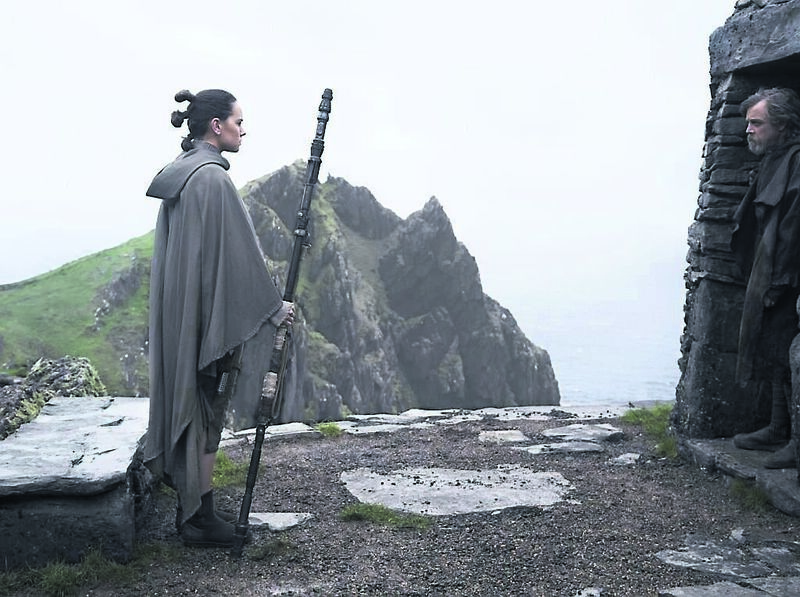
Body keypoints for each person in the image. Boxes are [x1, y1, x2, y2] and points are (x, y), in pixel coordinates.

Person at [143, 89, 293, 547]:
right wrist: (275, 309)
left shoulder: (182, 173)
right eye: (238, 121)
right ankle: (198, 520)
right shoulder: (212, 180)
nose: (243, 130)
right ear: (216, 125)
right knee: (207, 406)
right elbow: (239, 257)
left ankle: (198, 507)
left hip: (184, 308)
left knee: (200, 403)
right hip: (206, 315)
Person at [731, 87, 800, 469]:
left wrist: (779, 282)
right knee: (774, 353)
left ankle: (795, 442)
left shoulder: (796, 163)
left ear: (782, 125)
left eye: (756, 123)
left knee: (787, 355)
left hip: (787, 278)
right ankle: (777, 429)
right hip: (768, 269)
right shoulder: (773, 160)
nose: (748, 130)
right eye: (748, 123)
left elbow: (793, 228)